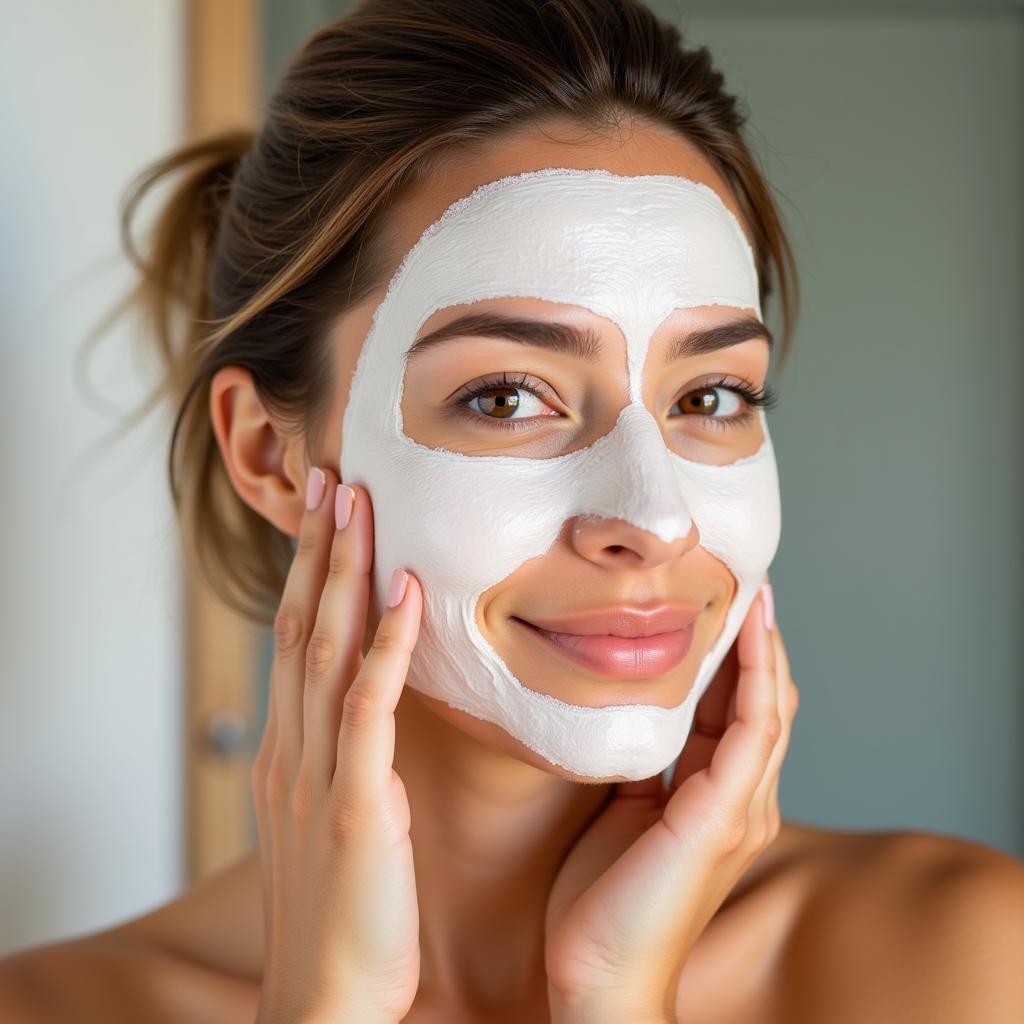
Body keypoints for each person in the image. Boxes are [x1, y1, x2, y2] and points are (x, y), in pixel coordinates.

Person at [2, 1, 1022, 1021]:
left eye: (709, 397)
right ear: (272, 455)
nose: (654, 518)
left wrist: (617, 1001)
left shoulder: (963, 961)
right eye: (504, 397)